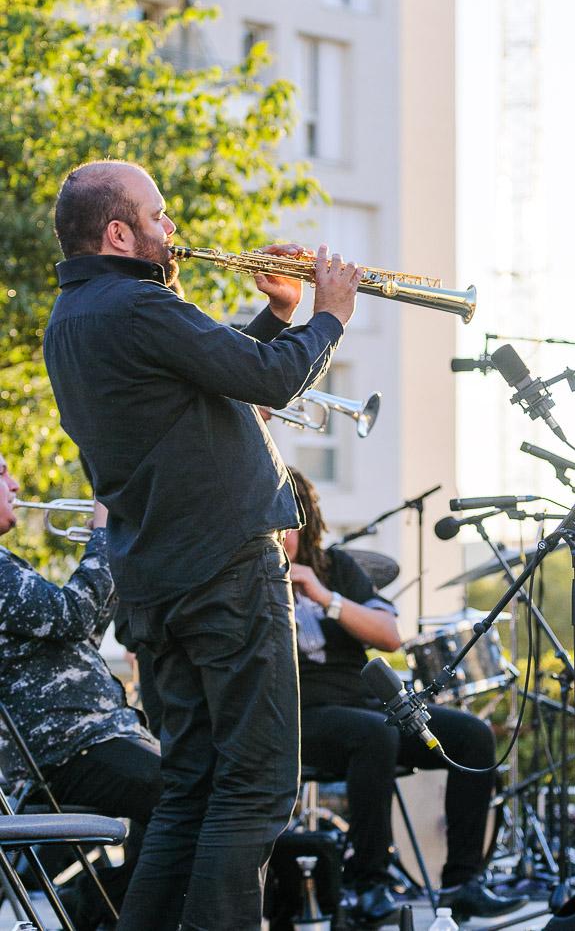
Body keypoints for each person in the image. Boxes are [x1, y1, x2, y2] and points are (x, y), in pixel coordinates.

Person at [43, 159, 360, 931]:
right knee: (255, 788)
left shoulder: (76, 318)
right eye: (158, 217)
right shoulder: (141, 304)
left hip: (160, 582)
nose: (171, 229)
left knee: (189, 788)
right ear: (119, 232)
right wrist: (329, 315)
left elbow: (212, 381)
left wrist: (279, 318)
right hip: (224, 571)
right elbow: (272, 381)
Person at [284, 469, 527, 925]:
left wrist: (324, 597)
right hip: (301, 715)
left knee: (472, 735)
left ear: (306, 522)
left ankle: (462, 882)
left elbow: (390, 636)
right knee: (373, 734)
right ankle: (367, 884)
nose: (281, 538)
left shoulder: (334, 568)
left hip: (365, 705)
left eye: (289, 527)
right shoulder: (248, 577)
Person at [0, 453, 162, 931]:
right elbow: (75, 614)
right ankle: (101, 908)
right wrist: (104, 530)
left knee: (189, 790)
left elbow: (78, 637)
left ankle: (95, 904)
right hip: (69, 749)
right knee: (185, 793)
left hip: (90, 739)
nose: (13, 481)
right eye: (0, 471)